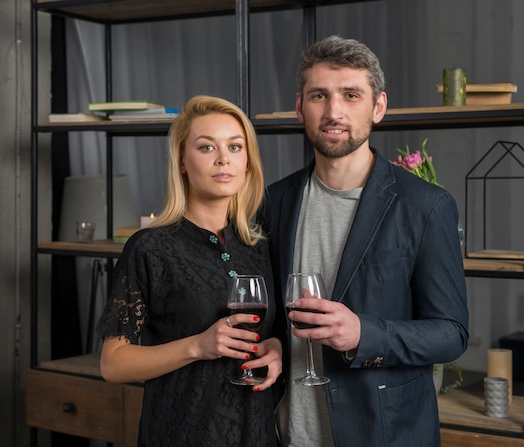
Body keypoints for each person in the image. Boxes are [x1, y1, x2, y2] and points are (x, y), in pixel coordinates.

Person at [257, 35, 469, 446]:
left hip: (382, 434)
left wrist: (362, 334)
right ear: (300, 107)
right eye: (319, 95)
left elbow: (452, 332)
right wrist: (274, 343)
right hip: (286, 433)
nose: (334, 111)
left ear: (378, 107)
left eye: (351, 95)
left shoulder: (425, 205)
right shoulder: (274, 200)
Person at [96, 95, 284, 447]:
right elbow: (113, 364)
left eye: (235, 146)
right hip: (182, 432)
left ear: (247, 163)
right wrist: (198, 346)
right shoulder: (150, 248)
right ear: (182, 161)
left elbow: (269, 334)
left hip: (256, 432)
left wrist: (276, 348)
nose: (223, 158)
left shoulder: (259, 247)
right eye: (206, 147)